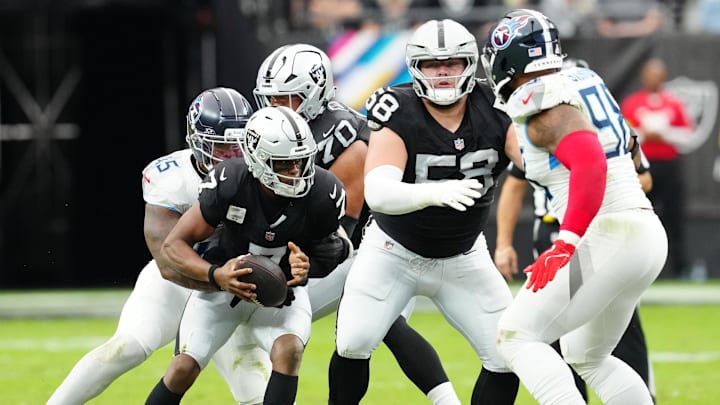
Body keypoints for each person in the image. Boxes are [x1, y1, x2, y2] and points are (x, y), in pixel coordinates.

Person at [253, 42, 463, 404]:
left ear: (314, 94)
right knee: (359, 335)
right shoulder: (280, 135)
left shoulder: (345, 139)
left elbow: (336, 237)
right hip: (344, 250)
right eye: (269, 100)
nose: (275, 109)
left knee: (372, 325)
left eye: (286, 99)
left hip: (372, 247)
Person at [328, 18, 523, 405]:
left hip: (464, 255)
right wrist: (436, 192)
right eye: (434, 64)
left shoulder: (497, 105)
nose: (444, 72)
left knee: (508, 355)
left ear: (471, 63)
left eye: (452, 62)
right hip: (393, 251)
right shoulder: (397, 107)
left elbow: (531, 162)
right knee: (353, 342)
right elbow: (380, 192)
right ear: (416, 68)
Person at [481, 8, 667, 404]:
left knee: (515, 336)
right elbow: (629, 152)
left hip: (607, 231)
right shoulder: (583, 79)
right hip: (642, 229)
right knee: (586, 354)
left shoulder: (541, 99)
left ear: (508, 59)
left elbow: (590, 162)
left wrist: (566, 241)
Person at [47, 87, 271, 405]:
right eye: (222, 147)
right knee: (125, 349)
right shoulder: (170, 177)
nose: (232, 156)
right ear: (197, 140)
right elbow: (168, 262)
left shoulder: (263, 174)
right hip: (180, 282)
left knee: (256, 393)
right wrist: (217, 276)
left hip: (228, 294)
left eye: (238, 146)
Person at [145, 106, 349, 405]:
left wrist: (308, 265)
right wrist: (216, 275)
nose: (296, 172)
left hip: (283, 295)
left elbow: (337, 248)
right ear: (258, 159)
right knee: (182, 368)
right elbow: (174, 246)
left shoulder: (323, 191)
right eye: (284, 164)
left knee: (289, 350)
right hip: (223, 291)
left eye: (301, 161)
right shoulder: (230, 180)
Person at [621, 57, 695, 279]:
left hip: (669, 165)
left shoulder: (674, 103)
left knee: (674, 216)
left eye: (657, 74)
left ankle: (680, 268)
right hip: (643, 167)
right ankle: (639, 269)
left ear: (664, 76)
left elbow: (688, 135)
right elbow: (624, 135)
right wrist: (645, 133)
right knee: (641, 216)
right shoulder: (633, 103)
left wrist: (665, 134)